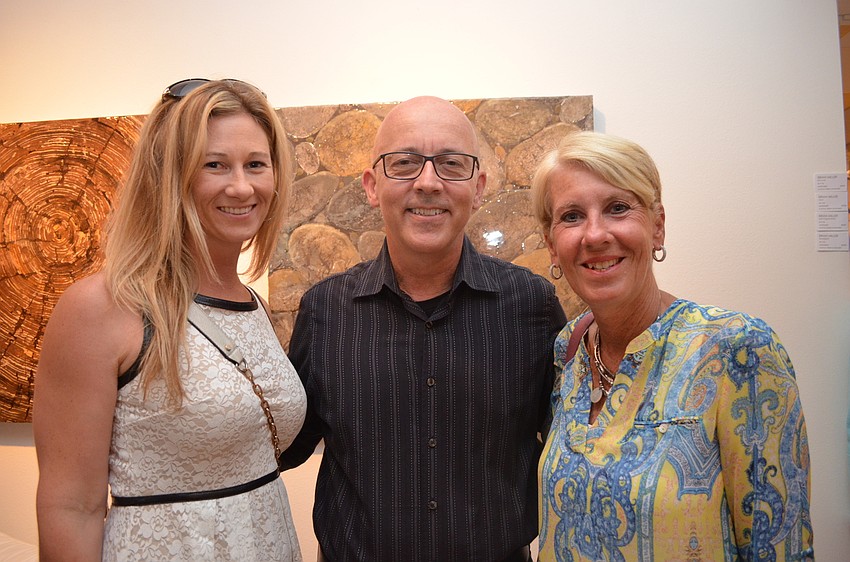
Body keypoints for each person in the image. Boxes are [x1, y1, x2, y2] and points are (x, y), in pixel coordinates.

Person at [279, 96, 566, 561]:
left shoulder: (531, 306)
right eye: (405, 163)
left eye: (451, 164)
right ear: (372, 186)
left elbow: (572, 447)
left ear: (478, 186)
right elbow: (282, 449)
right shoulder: (325, 311)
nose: (428, 182)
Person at [33, 79, 306, 561]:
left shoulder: (250, 303)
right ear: (168, 176)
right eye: (214, 165)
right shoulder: (102, 307)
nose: (242, 186)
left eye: (256, 165)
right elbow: (70, 505)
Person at [530, 130, 814, 561]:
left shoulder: (738, 350)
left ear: (657, 226)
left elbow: (779, 547)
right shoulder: (567, 350)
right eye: (571, 216)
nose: (595, 234)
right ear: (552, 245)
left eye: (618, 208)